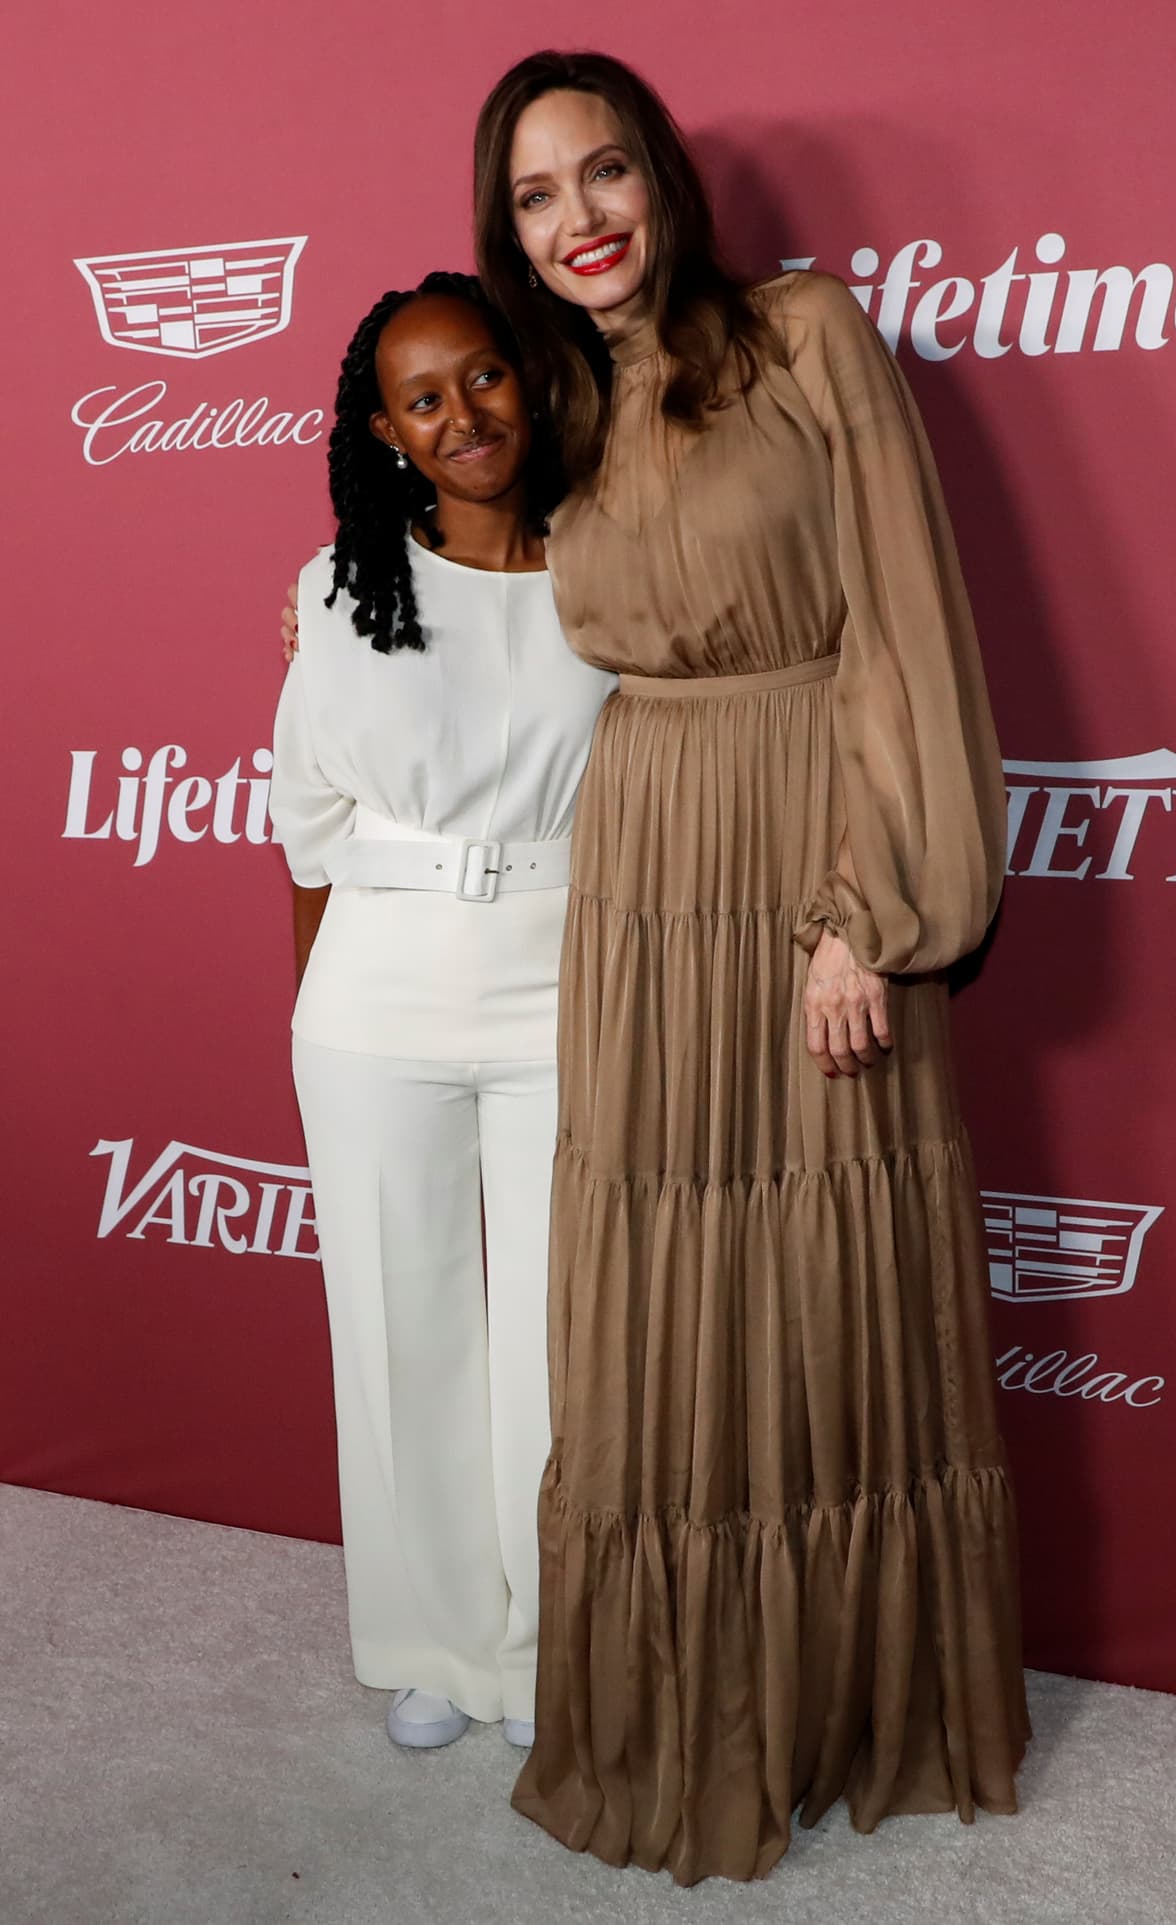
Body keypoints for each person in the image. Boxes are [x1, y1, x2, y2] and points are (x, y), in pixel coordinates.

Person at [469, 51, 1031, 1882]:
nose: (580, 221)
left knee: (824, 1263)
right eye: (538, 197)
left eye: (604, 172)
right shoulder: (555, 403)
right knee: (665, 1282)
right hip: (645, 867)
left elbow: (901, 621)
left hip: (808, 838)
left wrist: (862, 908)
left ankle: (856, 1696)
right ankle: (684, 1703)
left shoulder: (802, 336)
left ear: (664, 181)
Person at [268, 272, 614, 1755]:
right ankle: (432, 1639)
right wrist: (319, 1011)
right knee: (398, 1328)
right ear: (386, 431)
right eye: (425, 398)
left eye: (482, 378)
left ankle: (550, 1648)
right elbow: (306, 828)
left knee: (562, 1337)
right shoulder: (340, 586)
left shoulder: (615, 566)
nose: (463, 416)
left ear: (527, 382)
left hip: (565, 980)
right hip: (376, 989)